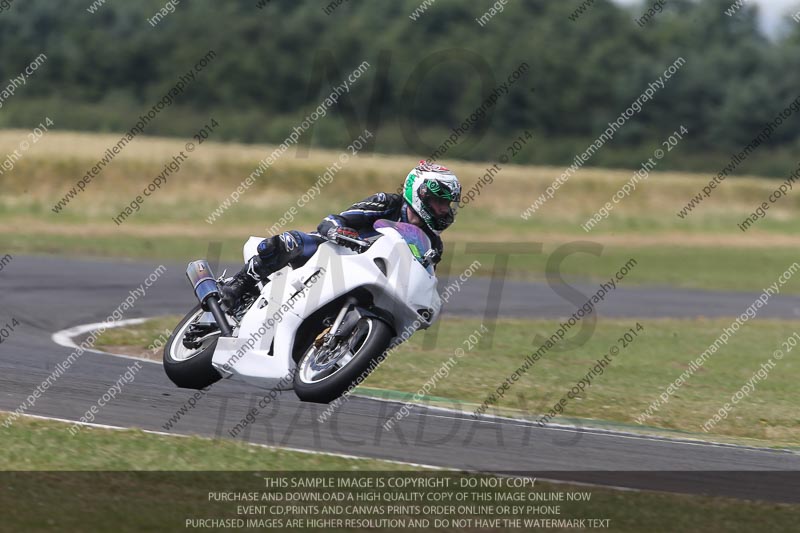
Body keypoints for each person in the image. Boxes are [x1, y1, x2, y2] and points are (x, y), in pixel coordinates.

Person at [220, 161, 462, 311]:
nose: (443, 209)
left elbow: (422, 277)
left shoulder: (433, 244)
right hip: (335, 255)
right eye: (439, 201)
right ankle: (239, 284)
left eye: (447, 204)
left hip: (373, 280)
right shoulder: (387, 203)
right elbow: (334, 221)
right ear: (420, 194)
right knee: (290, 242)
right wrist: (339, 231)